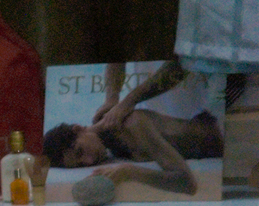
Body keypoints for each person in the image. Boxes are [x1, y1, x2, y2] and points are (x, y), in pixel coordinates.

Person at [42, 60, 224, 195]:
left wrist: (129, 172)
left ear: (78, 129)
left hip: (223, 135)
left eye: (80, 151)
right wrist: (111, 99)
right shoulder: (110, 143)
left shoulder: (133, 124)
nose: (89, 161)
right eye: (81, 164)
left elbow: (187, 183)